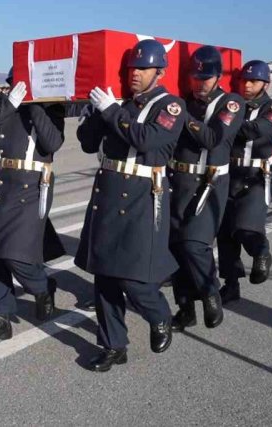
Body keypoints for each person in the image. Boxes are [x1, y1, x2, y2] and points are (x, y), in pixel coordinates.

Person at [76, 39, 183, 371]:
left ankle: (159, 314)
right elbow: (86, 143)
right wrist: (95, 114)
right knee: (105, 275)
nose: (134, 74)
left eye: (142, 68)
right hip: (108, 192)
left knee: (132, 278)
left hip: (141, 194)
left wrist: (111, 111)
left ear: (159, 72)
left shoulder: (171, 106)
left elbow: (147, 139)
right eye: (131, 68)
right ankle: (113, 344)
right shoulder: (119, 103)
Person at [0, 69, 66, 345]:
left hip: (32, 185)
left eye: (23, 84)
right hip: (3, 184)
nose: (18, 88)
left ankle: (43, 287)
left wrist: (34, 105)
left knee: (15, 255)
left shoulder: (51, 108)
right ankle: (1, 319)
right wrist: (10, 104)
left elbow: (53, 142)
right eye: (14, 84)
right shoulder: (3, 106)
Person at [167, 46, 245, 333]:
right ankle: (185, 307)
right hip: (178, 182)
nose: (200, 84)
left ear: (217, 77)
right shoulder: (184, 102)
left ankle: (211, 292)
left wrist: (181, 114)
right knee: (175, 245)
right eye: (195, 78)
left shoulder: (231, 103)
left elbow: (212, 138)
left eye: (206, 78)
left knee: (195, 244)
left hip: (209, 183)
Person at [217, 60, 272, 304]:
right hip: (229, 173)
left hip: (257, 176)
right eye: (244, 80)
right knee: (225, 232)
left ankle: (261, 252)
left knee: (246, 226)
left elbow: (256, 130)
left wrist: (225, 124)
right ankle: (231, 283)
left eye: (253, 81)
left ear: (265, 83)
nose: (246, 85)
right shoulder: (233, 104)